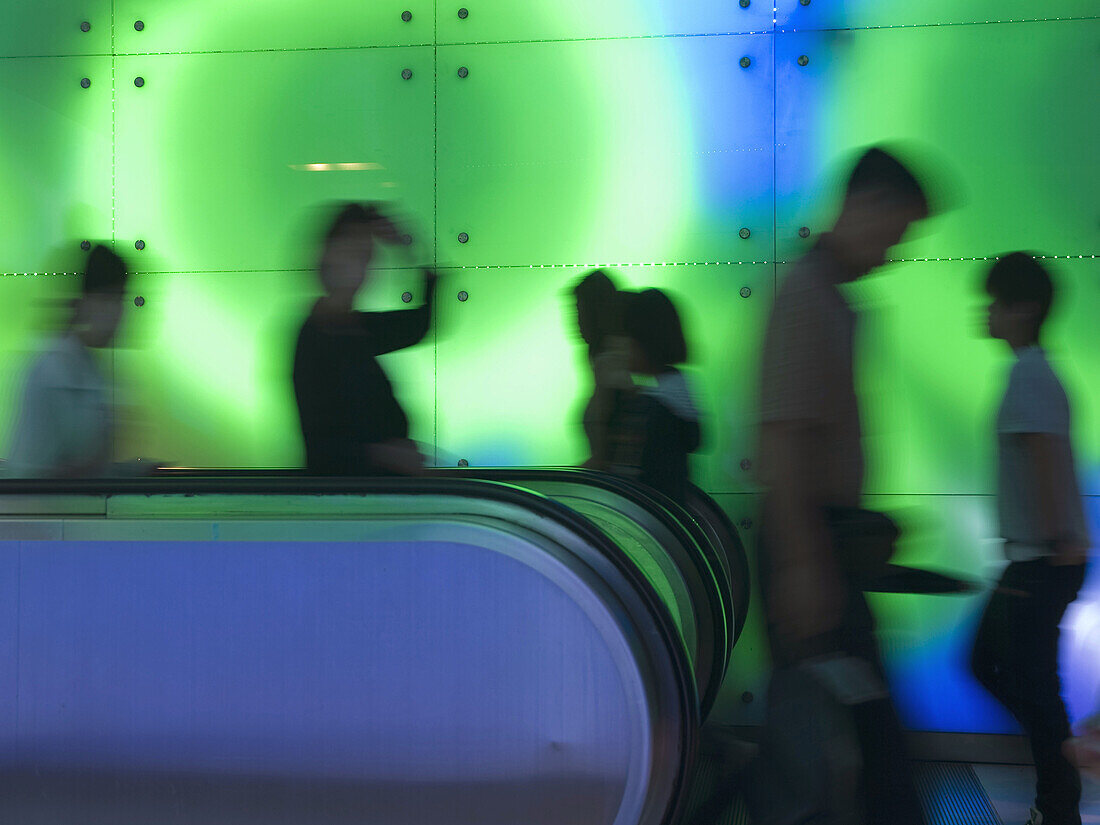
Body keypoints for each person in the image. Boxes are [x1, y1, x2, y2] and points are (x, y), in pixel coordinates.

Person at [753, 147, 931, 824]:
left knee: (857, 749)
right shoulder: (805, 296)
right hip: (809, 548)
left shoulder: (829, 297)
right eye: (897, 233)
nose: (896, 251)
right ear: (867, 205)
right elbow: (784, 441)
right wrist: (804, 564)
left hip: (825, 546)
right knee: (824, 760)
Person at [971, 252, 1090, 825]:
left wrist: (1050, 542)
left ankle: (1060, 801)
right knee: (1024, 682)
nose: (985, 313)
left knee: (1011, 677)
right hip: (1043, 559)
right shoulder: (1036, 371)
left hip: (1040, 561)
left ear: (1024, 310)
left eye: (994, 303)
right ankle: (1058, 785)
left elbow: (1043, 458)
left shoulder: (1028, 375)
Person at [293, 203, 436, 476]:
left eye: (365, 256)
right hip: (353, 502)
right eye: (352, 252)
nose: (360, 267)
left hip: (371, 499)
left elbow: (422, 324)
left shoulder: (355, 328)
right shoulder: (315, 337)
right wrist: (388, 455)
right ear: (326, 254)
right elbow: (321, 450)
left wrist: (409, 246)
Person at [5, 244, 129, 478]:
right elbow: (31, 476)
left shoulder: (92, 368)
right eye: (110, 299)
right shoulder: (50, 371)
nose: (120, 313)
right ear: (83, 302)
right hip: (48, 512)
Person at [606, 288, 701, 505]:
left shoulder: (652, 405)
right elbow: (695, 440)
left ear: (644, 341)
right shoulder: (677, 387)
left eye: (625, 337)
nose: (618, 347)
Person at [571, 269, 631, 469]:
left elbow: (606, 454)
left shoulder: (611, 361)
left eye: (578, 310)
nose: (574, 321)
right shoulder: (603, 359)